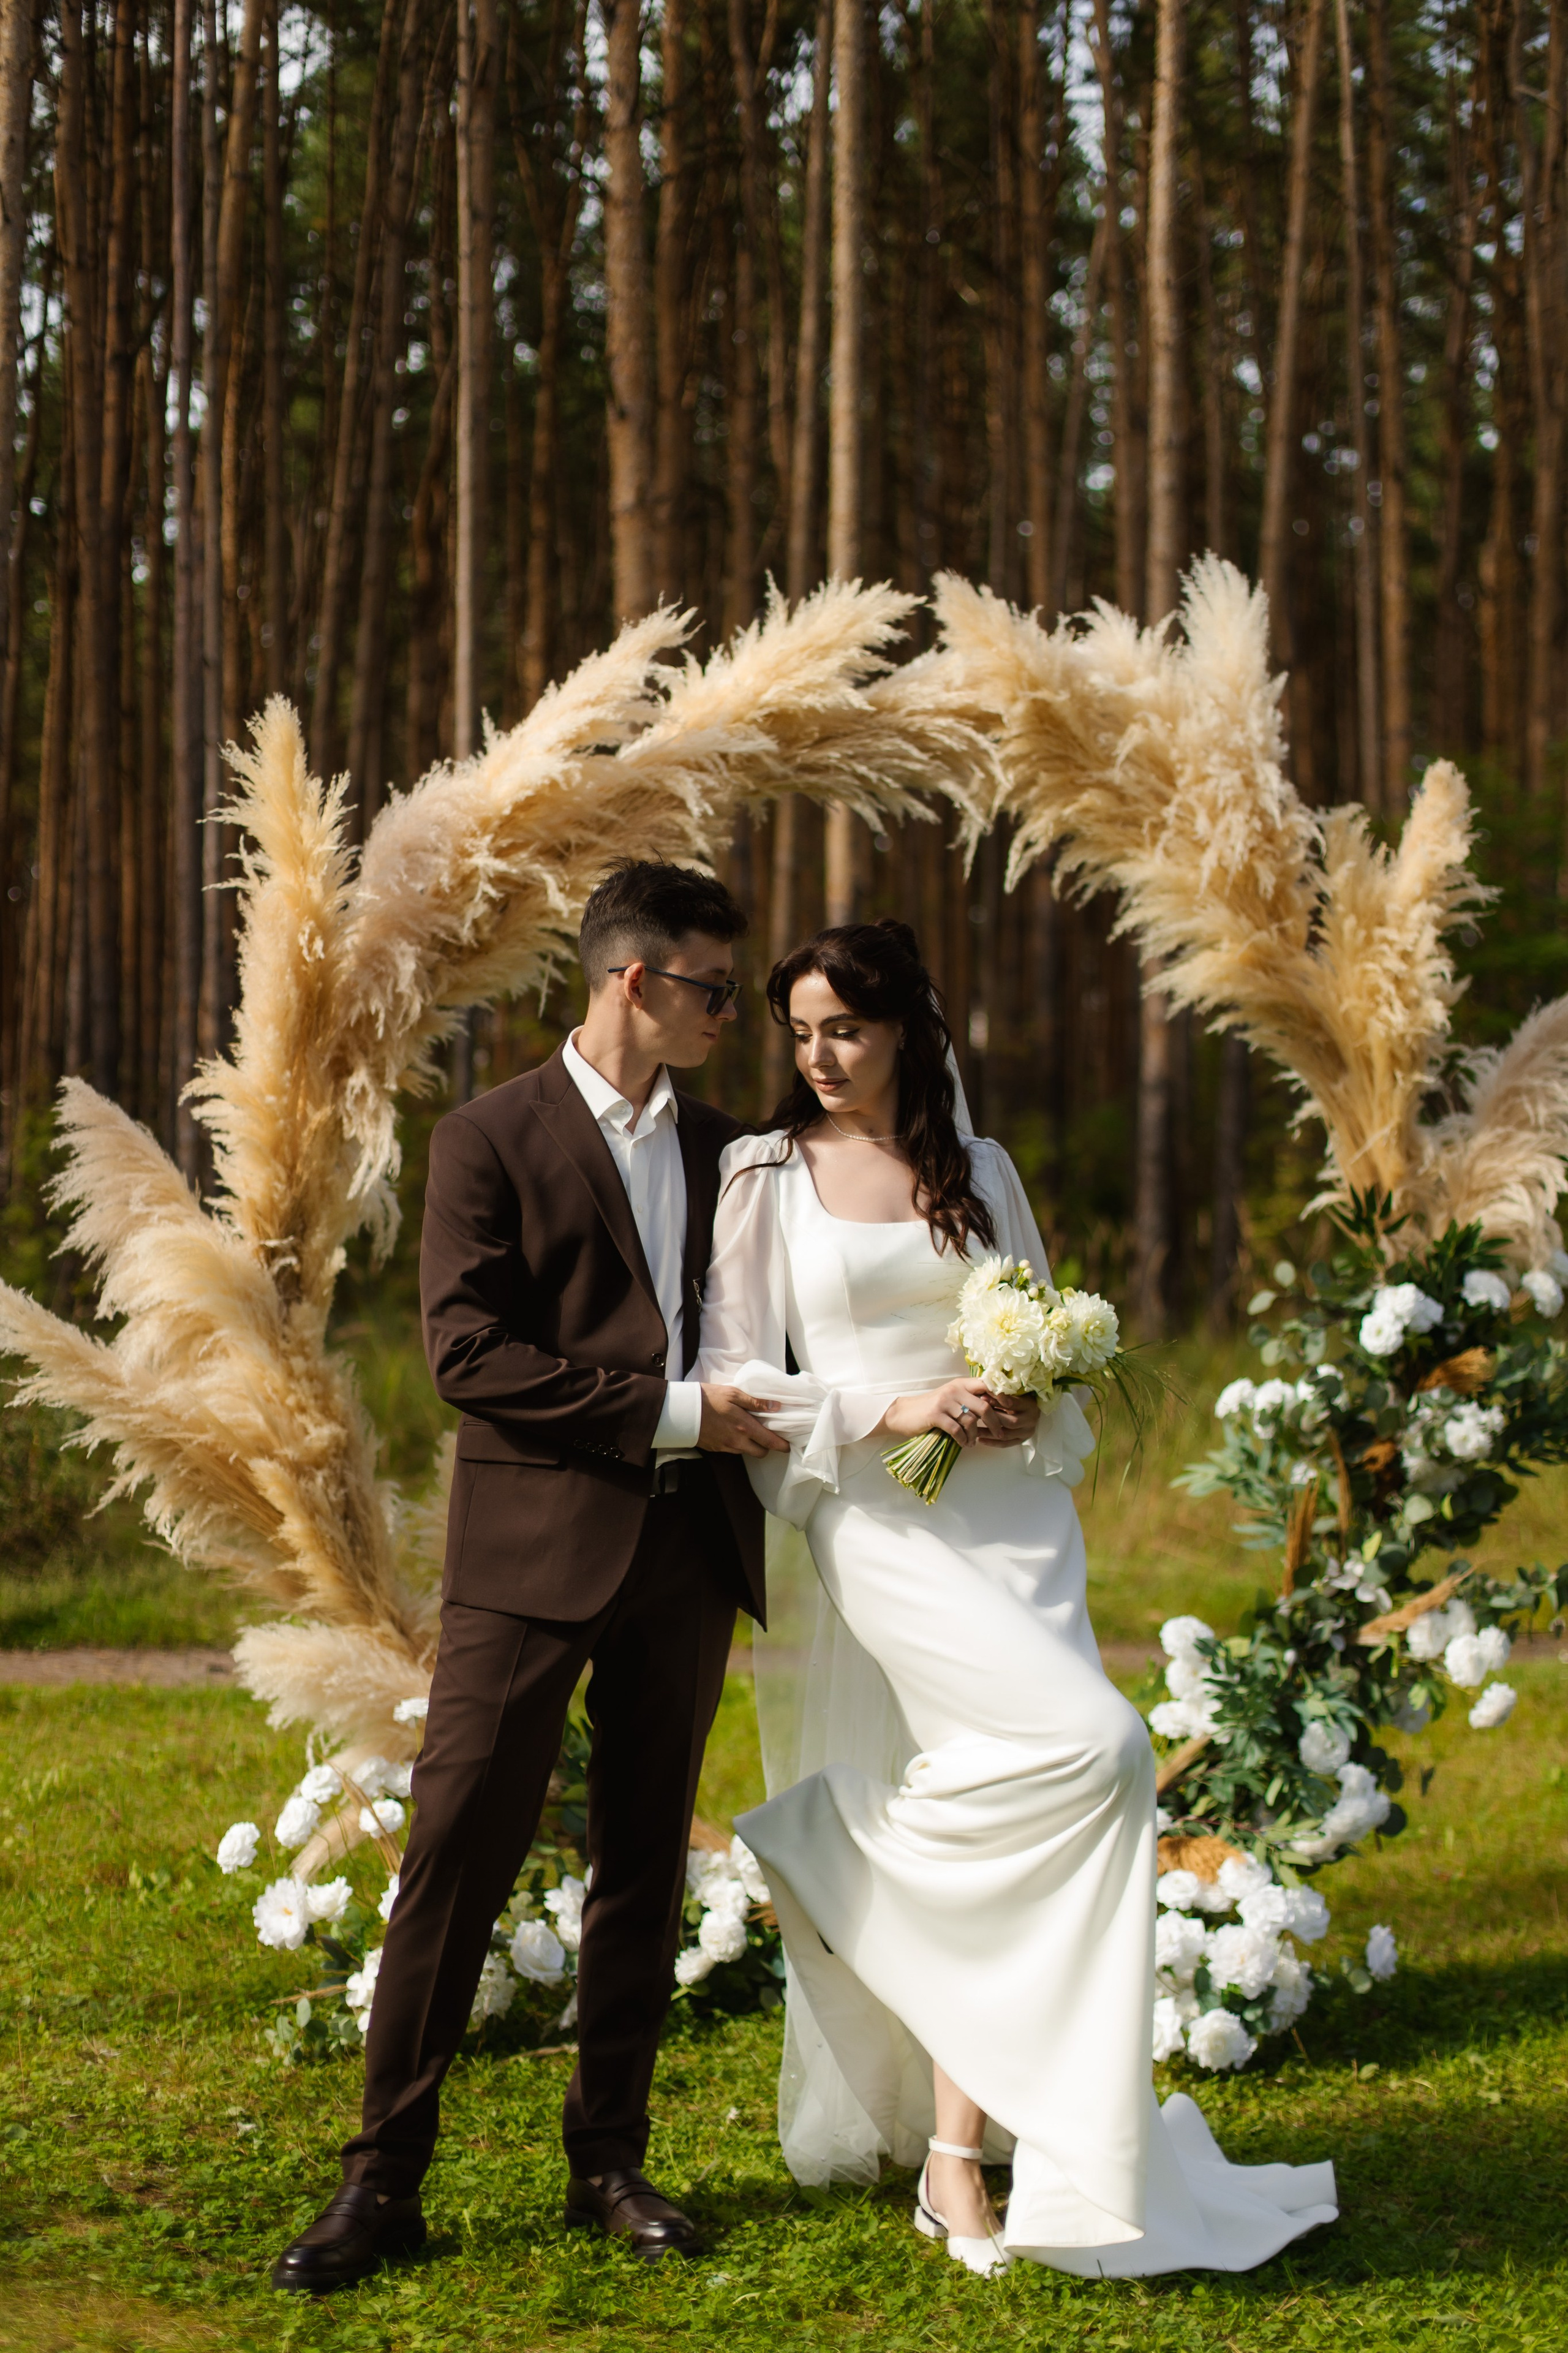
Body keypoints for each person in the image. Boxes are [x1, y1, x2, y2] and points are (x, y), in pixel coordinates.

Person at [696, 917, 1338, 2279]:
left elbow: (1040, 1328)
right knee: (1097, 1748)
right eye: (798, 1030)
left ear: (906, 1032)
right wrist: (904, 1403)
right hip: (878, 1518)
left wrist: (1019, 1389)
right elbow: (738, 1383)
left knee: (1074, 1796)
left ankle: (958, 2153)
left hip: (1010, 1518)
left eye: (844, 1030)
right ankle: (828, 1845)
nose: (816, 1055)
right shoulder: (763, 1173)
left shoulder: (976, 1165)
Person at [271, 861, 786, 2293]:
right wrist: (678, 1413)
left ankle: (608, 2162)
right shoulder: (487, 1138)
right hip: (527, 1561)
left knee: (641, 1866)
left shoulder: (736, 1151)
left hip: (686, 1557)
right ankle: (382, 2180)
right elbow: (467, 1357)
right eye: (708, 986)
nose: (724, 1014)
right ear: (632, 980)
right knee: (454, 1859)